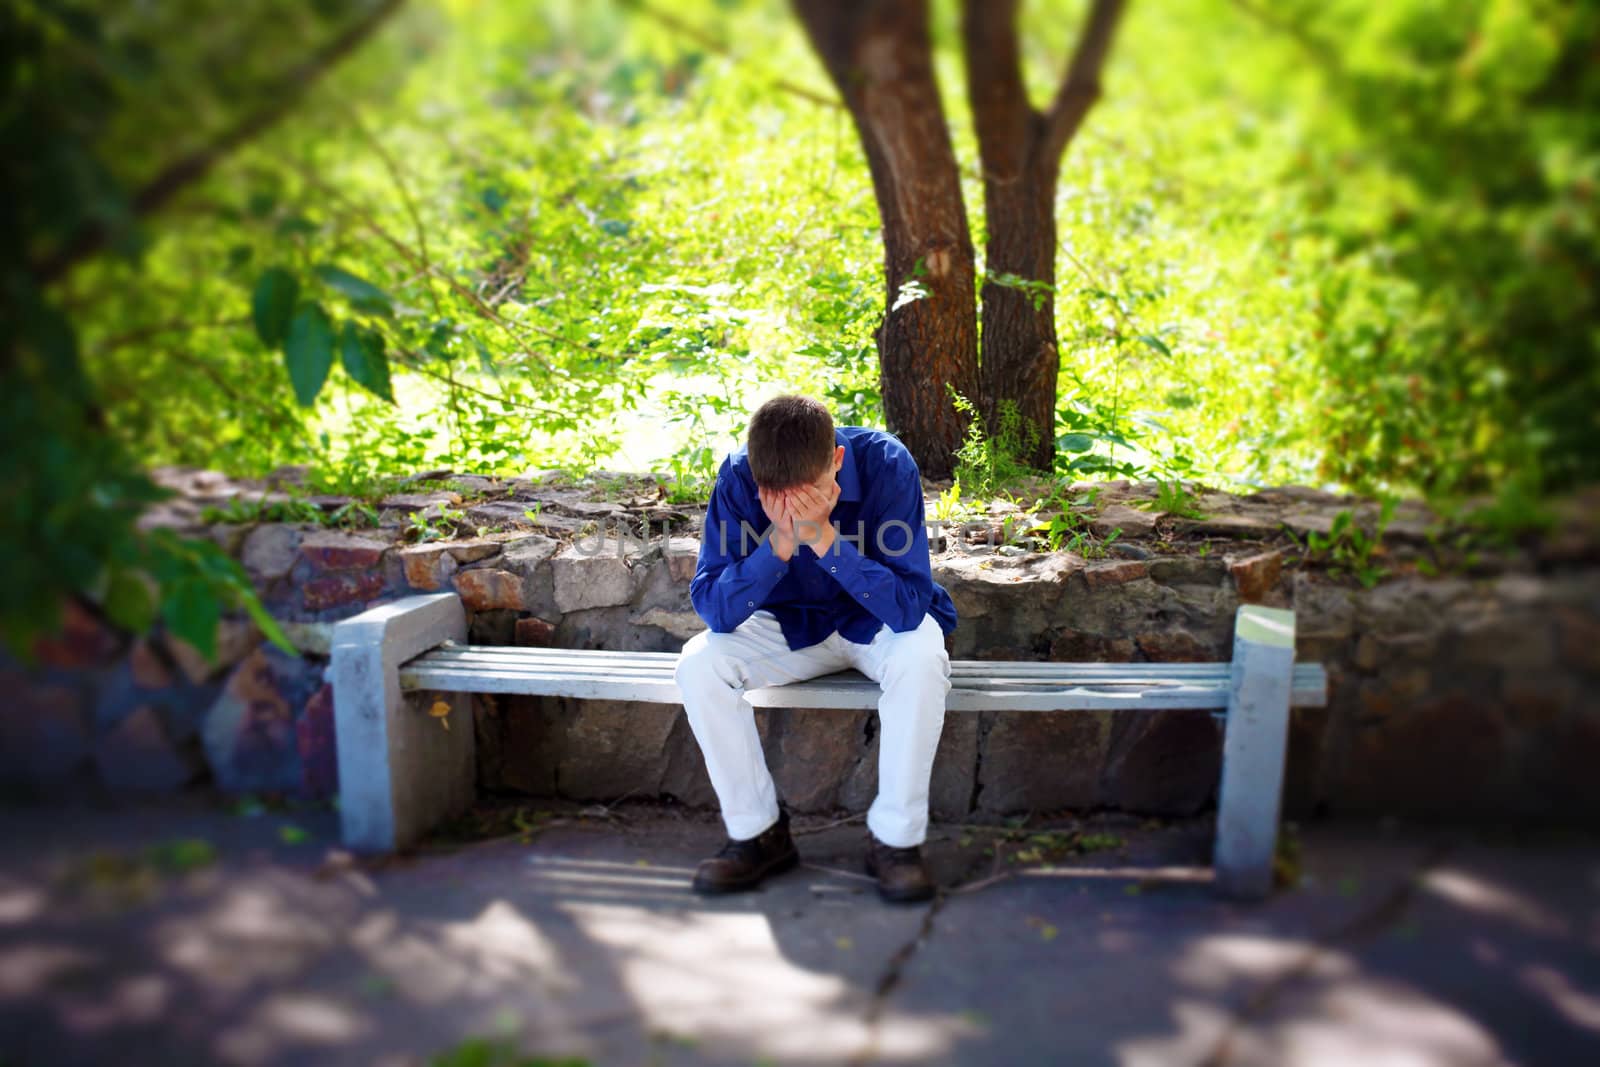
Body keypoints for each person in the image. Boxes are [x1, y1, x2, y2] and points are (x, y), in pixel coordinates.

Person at [674, 394, 958, 903]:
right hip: (789, 627)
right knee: (700, 666)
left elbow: (910, 605)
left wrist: (825, 540)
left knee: (922, 658)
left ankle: (896, 841)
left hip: (876, 623)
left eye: (808, 494)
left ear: (837, 462)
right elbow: (715, 609)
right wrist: (780, 543)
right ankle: (758, 834)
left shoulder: (887, 463)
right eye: (778, 497)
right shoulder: (739, 475)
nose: (794, 507)